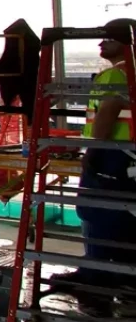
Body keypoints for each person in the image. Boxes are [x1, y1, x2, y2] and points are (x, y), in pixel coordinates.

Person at [54, 18, 136, 294]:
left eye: (107, 38)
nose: (101, 43)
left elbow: (108, 112)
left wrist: (92, 151)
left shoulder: (115, 75)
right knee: (123, 215)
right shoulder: (131, 73)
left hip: (110, 155)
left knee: (95, 211)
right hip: (128, 158)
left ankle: (95, 275)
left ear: (125, 43)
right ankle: (122, 273)